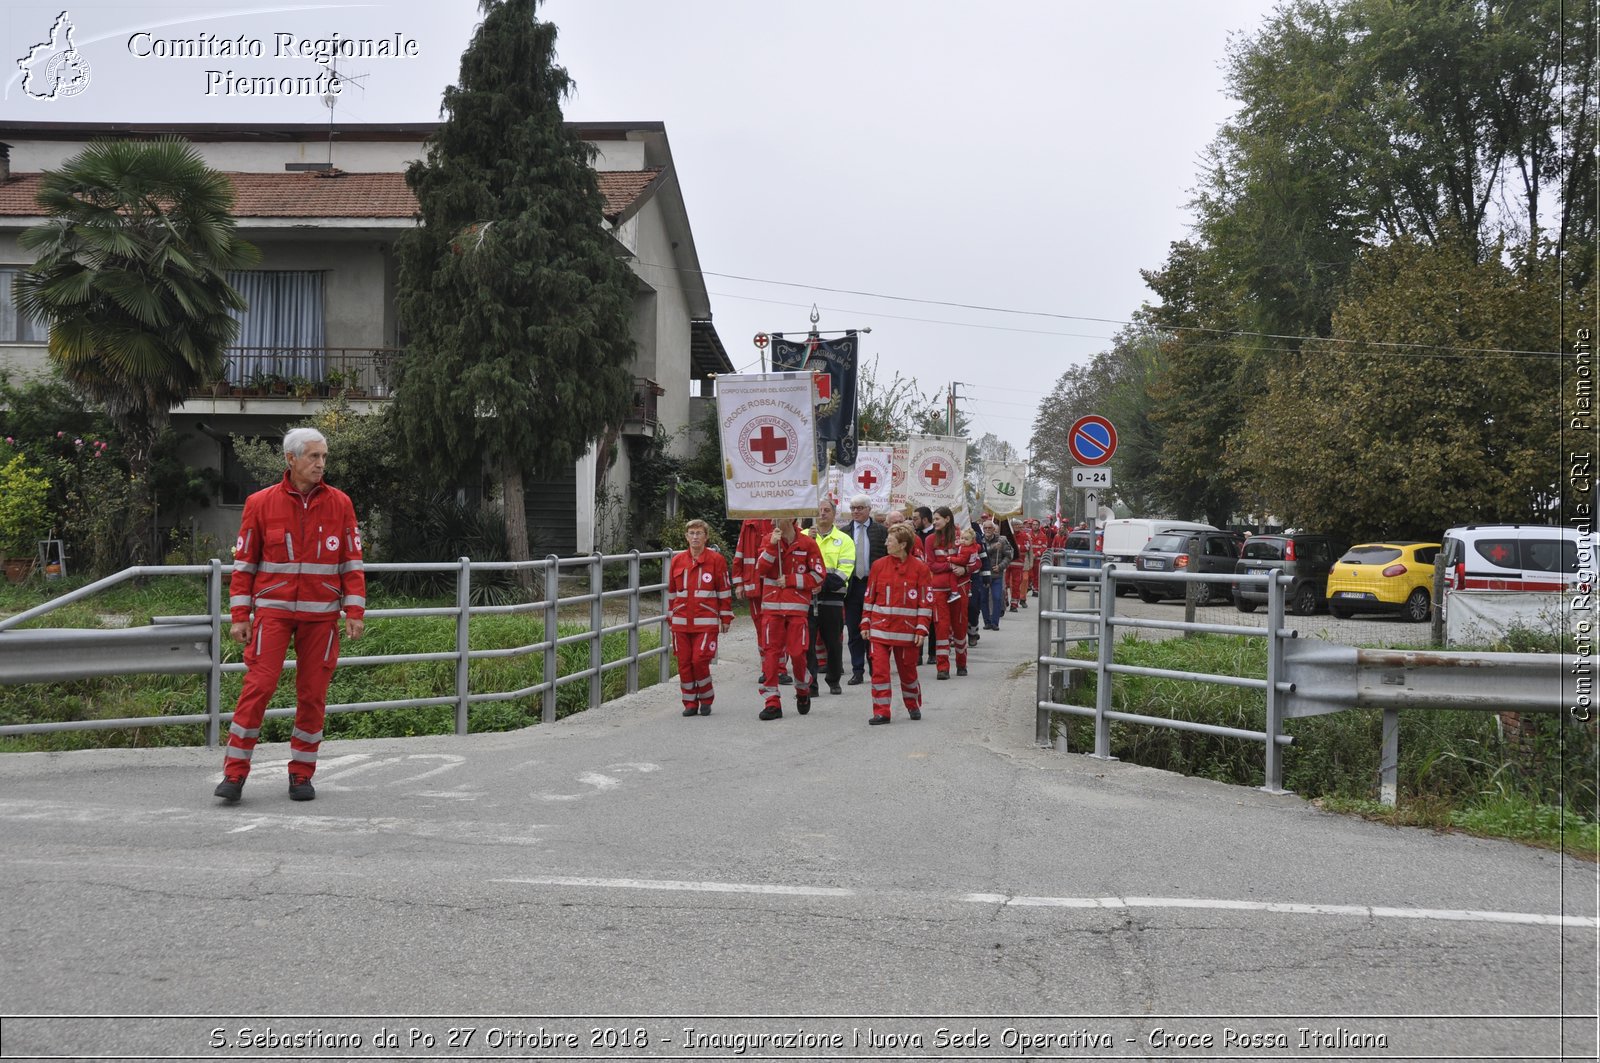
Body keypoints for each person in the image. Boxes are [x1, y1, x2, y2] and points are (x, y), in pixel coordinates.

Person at [215, 427, 364, 804]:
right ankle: (233, 775)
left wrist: (354, 609)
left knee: (312, 695)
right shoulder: (260, 503)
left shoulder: (340, 503)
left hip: (321, 618)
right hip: (273, 615)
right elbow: (244, 563)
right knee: (258, 688)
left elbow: (351, 561)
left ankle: (301, 774)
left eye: (324, 457)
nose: (320, 464)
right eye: (313, 456)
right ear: (290, 459)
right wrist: (240, 614)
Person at [860, 524, 933, 725]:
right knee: (880, 670)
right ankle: (882, 711)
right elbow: (869, 596)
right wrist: (865, 622)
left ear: (902, 545)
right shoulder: (878, 566)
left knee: (908, 670)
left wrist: (921, 627)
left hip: (906, 630)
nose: (886, 544)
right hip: (880, 629)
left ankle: (912, 703)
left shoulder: (920, 568)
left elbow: (926, 601)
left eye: (890, 541)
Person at [756, 517, 825, 720]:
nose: (775, 519)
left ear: (792, 517)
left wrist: (792, 580)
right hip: (771, 609)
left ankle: (803, 690)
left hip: (796, 609)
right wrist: (771, 547)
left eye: (781, 515)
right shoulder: (768, 539)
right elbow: (760, 570)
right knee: (770, 656)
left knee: (797, 654)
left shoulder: (807, 543)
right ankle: (772, 702)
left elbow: (819, 575)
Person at [667, 519, 734, 716]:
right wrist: (671, 615)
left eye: (699, 533)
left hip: (705, 622)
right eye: (691, 533)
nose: (695, 537)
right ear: (686, 536)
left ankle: (706, 698)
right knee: (684, 664)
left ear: (706, 537)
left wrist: (725, 617)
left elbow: (724, 591)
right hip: (681, 623)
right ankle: (689, 703)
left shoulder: (716, 560)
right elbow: (672, 592)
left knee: (699, 661)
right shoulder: (677, 561)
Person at [805, 498, 856, 697]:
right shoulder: (804, 536)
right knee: (806, 644)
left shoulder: (844, 540)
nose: (822, 513)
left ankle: (834, 680)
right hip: (807, 600)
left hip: (832, 598)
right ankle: (811, 684)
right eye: (819, 510)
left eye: (827, 510)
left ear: (834, 514)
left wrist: (819, 583)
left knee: (833, 643)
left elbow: (845, 572)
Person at [841, 493, 888, 686]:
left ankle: (875, 668)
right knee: (854, 631)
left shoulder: (881, 531)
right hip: (852, 588)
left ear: (869, 509)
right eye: (852, 508)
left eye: (859, 508)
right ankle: (857, 670)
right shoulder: (844, 533)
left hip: (873, 587)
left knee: (873, 630)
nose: (855, 511)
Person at [733, 518, 781, 683]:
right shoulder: (749, 522)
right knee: (761, 627)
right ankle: (767, 668)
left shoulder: (783, 516)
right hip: (754, 583)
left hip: (777, 582)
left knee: (778, 626)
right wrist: (739, 582)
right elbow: (740, 553)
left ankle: (780, 669)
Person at [924, 506, 968, 679]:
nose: (934, 522)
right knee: (941, 628)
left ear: (948, 519)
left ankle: (961, 663)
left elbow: (974, 561)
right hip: (938, 590)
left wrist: (964, 570)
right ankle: (942, 667)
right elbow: (931, 565)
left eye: (937, 519)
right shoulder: (929, 540)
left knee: (959, 626)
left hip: (960, 588)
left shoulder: (962, 538)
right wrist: (950, 566)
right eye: (933, 519)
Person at [980, 517, 1012, 630]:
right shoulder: (980, 540)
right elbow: (980, 552)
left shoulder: (1001, 540)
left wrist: (1001, 566)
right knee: (983, 599)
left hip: (996, 574)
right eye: (985, 528)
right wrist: (993, 547)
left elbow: (1009, 556)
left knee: (997, 597)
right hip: (983, 575)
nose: (987, 530)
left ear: (994, 529)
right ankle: (987, 622)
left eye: (990, 528)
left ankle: (995, 622)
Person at [1000, 518, 1026, 612]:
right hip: (1006, 563)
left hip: (1018, 563)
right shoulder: (1007, 535)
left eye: (1019, 525)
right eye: (1015, 525)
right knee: (1005, 583)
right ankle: (1005, 599)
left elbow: (1026, 548)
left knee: (1016, 584)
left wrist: (1017, 547)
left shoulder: (1024, 536)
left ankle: (1014, 604)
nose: (1017, 527)